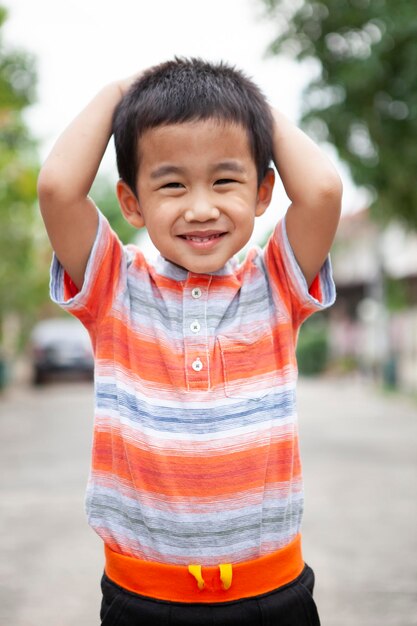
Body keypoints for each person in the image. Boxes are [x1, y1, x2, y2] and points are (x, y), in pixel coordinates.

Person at [38, 57, 342, 625]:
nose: (201, 208)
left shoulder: (276, 283)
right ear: (131, 204)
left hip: (273, 596)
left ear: (263, 192)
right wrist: (120, 89)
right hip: (143, 599)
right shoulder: (115, 287)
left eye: (225, 180)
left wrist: (243, 103)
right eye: (172, 184)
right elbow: (57, 188)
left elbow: (323, 190)